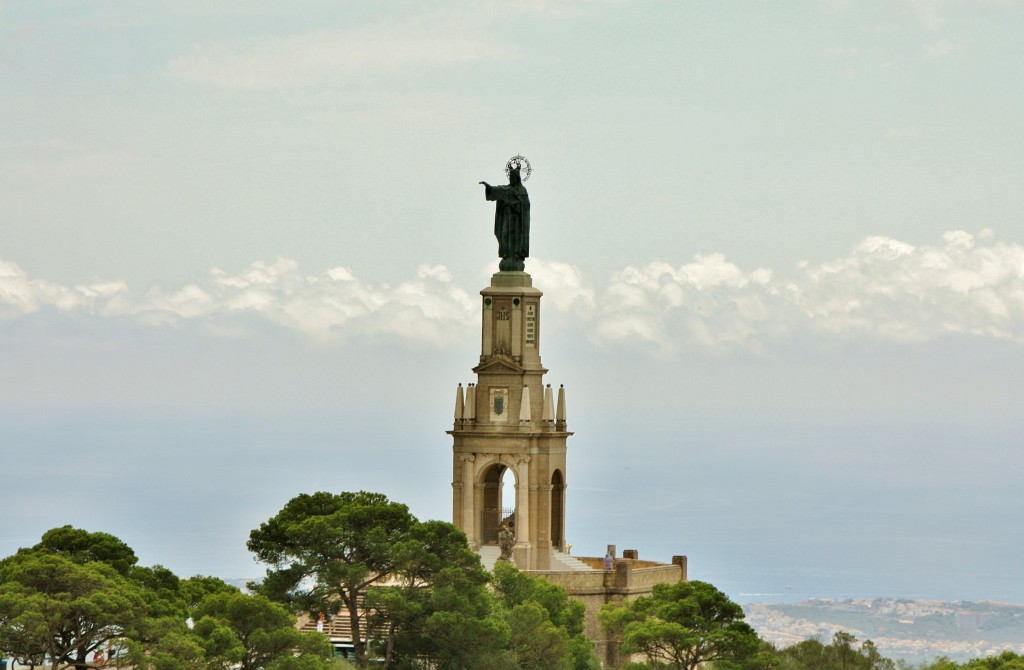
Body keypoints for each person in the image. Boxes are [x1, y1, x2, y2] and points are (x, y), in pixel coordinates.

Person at [480, 165, 530, 271]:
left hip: (517, 222)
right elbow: (496, 190)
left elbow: (524, 206)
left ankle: (516, 256)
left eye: (513, 177)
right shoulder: (506, 189)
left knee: (515, 239)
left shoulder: (522, 190)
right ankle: (506, 254)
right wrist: (488, 187)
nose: (511, 179)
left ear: (517, 178)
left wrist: (513, 204)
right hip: (506, 219)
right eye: (510, 177)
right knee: (504, 234)